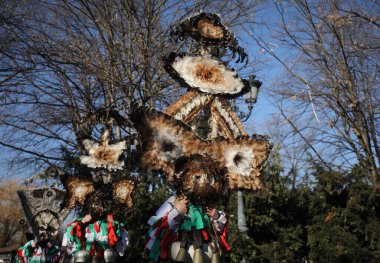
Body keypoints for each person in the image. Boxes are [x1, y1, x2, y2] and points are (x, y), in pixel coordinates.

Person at [145, 195, 230, 262]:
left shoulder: (208, 203)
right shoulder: (174, 200)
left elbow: (219, 232)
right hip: (179, 251)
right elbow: (158, 227)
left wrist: (216, 216)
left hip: (208, 253)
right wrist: (177, 212)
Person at [63, 213, 129, 262]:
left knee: (108, 254)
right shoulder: (84, 221)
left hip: (104, 255)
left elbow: (119, 235)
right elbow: (72, 232)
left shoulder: (109, 221)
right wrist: (83, 221)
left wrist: (113, 223)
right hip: (88, 255)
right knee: (81, 255)